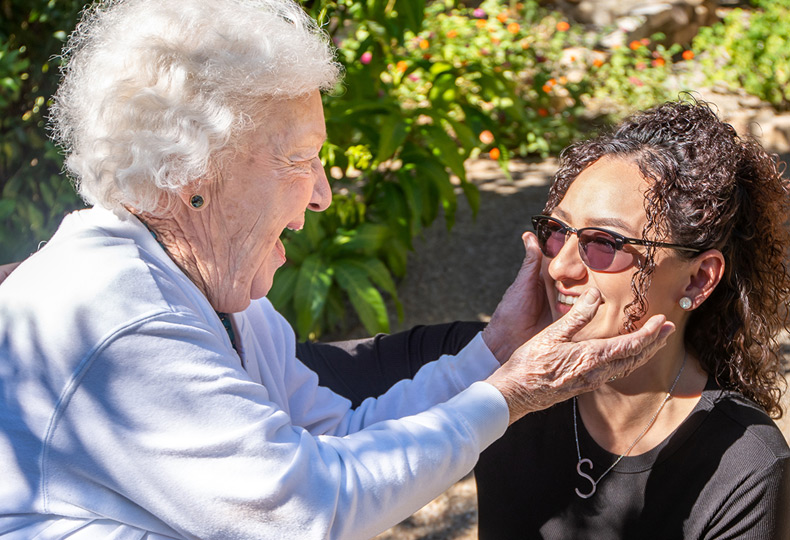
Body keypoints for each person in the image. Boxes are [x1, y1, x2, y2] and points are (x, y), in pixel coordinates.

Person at [0, 0, 673, 538]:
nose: (321, 194)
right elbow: (308, 511)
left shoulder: (230, 306)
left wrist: (495, 353)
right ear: (196, 172)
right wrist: (512, 394)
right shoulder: (123, 317)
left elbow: (341, 441)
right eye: (300, 160)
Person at [472, 99, 790, 538]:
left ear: (698, 280)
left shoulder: (744, 465)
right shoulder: (494, 375)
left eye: (604, 243)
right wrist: (492, 356)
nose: (561, 267)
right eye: (558, 231)